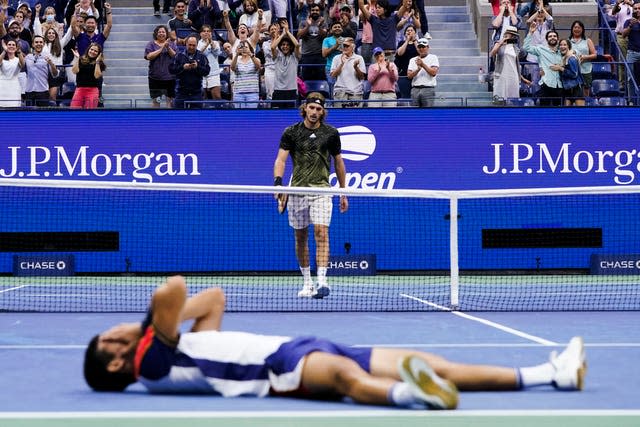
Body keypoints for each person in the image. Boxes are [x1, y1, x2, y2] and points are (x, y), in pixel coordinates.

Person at [83, 276, 587, 408]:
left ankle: (550, 374)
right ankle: (412, 396)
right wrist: (143, 326)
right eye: (108, 340)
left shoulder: (176, 351)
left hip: (297, 342)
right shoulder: (150, 366)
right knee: (349, 380)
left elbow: (212, 298)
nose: (115, 333)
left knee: (431, 360)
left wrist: (157, 325)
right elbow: (169, 289)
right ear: (114, 366)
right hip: (277, 371)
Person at [273, 93, 348, 298]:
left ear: (323, 111)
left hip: (321, 190)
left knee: (321, 232)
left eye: (318, 109)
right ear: (305, 108)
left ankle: (322, 281)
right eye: (311, 108)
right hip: (297, 190)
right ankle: (307, 283)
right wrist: (279, 184)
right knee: (300, 237)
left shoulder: (331, 133)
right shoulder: (291, 132)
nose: (314, 112)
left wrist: (343, 192)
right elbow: (281, 160)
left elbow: (339, 163)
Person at [523, 26, 561, 106]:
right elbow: (526, 47)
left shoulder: (562, 51)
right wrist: (530, 33)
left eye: (554, 36)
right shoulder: (541, 49)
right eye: (550, 36)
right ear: (547, 40)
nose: (552, 38)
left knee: (558, 112)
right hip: (545, 85)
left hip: (559, 85)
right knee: (544, 111)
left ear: (558, 39)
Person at [169, 34, 210, 108]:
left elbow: (207, 71)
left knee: (197, 117)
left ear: (197, 45)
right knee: (179, 117)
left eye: (194, 45)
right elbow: (171, 70)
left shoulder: (202, 56)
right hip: (181, 92)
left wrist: (197, 67)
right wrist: (182, 67)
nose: (191, 47)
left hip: (196, 92)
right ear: (186, 44)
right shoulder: (178, 55)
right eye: (190, 45)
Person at [145, 25, 177, 108]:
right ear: (156, 34)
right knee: (156, 101)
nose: (161, 34)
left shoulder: (172, 44)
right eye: (159, 32)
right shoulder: (151, 44)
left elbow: (175, 56)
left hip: (169, 78)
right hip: (155, 78)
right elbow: (149, 57)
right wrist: (161, 48)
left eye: (163, 32)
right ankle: (155, 119)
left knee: (169, 102)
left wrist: (168, 47)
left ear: (166, 34)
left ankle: (168, 119)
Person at [489, 25, 523, 102]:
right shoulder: (498, 44)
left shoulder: (516, 48)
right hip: (501, 73)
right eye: (507, 32)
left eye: (510, 33)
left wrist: (522, 78)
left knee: (513, 98)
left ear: (513, 36)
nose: (507, 34)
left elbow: (517, 62)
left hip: (513, 74)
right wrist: (501, 43)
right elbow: (492, 54)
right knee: (499, 97)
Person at [330, 36, 366, 107]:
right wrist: (341, 64)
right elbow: (333, 75)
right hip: (340, 92)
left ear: (353, 47)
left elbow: (362, 77)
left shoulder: (359, 58)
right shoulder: (336, 58)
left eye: (347, 46)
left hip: (356, 92)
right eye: (343, 45)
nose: (344, 47)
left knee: (355, 116)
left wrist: (356, 67)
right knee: (340, 116)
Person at [24, 34, 59, 106]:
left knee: (42, 116)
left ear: (43, 44)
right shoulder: (28, 57)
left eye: (40, 42)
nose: (38, 44)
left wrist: (51, 63)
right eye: (36, 42)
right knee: (28, 115)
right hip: (29, 91)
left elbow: (55, 74)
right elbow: (21, 66)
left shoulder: (48, 57)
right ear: (33, 44)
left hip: (43, 91)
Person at [271, 27, 301, 108]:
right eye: (283, 45)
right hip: (278, 90)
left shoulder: (295, 57)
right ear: (280, 46)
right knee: (276, 116)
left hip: (291, 90)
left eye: (287, 45)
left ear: (291, 47)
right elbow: (273, 47)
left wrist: (288, 32)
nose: (285, 46)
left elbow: (297, 45)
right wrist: (283, 34)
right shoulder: (277, 57)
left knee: (291, 116)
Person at [70, 42, 105, 108]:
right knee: (74, 110)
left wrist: (97, 62)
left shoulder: (100, 63)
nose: (92, 52)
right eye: (91, 49)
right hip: (80, 89)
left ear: (98, 54)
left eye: (95, 51)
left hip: (92, 90)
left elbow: (97, 76)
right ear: (88, 50)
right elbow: (74, 71)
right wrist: (77, 58)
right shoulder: (81, 59)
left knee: (89, 112)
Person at [407, 36, 438, 107]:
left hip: (428, 89)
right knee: (414, 113)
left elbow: (433, 73)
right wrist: (418, 69)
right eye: (419, 47)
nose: (421, 49)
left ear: (428, 47)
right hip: (415, 89)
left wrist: (422, 64)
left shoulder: (433, 57)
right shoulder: (412, 60)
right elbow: (409, 76)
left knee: (428, 113)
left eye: (423, 47)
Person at [550, 38, 582, 106]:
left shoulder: (571, 58)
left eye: (565, 45)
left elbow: (574, 74)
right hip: (566, 89)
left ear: (568, 47)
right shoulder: (562, 58)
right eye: (561, 45)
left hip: (575, 88)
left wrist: (561, 68)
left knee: (580, 113)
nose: (562, 46)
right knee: (566, 113)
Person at [230, 40, 261, 108]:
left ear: (250, 48)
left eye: (246, 47)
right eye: (242, 47)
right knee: (240, 117)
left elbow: (258, 66)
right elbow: (232, 68)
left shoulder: (256, 59)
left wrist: (250, 54)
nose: (244, 49)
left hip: (252, 93)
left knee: (251, 116)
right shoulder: (237, 59)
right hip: (238, 93)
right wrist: (236, 54)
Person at [197, 24, 222, 102]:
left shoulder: (215, 43)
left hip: (214, 73)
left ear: (211, 33)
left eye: (208, 31)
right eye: (204, 31)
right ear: (200, 33)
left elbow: (217, 52)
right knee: (202, 97)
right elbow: (199, 54)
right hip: (201, 74)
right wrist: (207, 44)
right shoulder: (197, 43)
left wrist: (211, 43)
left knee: (217, 97)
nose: (206, 33)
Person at [0, 39, 24, 107]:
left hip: (14, 87)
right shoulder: (2, 58)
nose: (11, 46)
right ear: (5, 46)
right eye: (9, 45)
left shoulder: (18, 59)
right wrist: (5, 51)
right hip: (2, 87)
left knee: (14, 107)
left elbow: (22, 64)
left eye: (13, 45)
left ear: (16, 47)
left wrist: (19, 52)